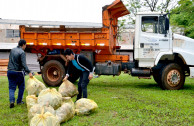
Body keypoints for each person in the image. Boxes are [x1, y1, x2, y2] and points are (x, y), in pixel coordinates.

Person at [7, 39, 33, 108]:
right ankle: (19, 101)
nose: (26, 46)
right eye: (25, 45)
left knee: (12, 88)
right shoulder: (22, 52)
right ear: (23, 45)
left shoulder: (12, 50)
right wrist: (29, 72)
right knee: (21, 87)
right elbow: (24, 64)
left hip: (10, 71)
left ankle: (12, 101)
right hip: (18, 72)